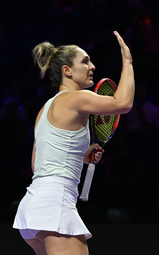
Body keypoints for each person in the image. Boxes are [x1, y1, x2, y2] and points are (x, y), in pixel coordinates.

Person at [13, 31, 134, 255]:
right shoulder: (76, 98)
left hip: (32, 208)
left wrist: (81, 154)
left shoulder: (45, 109)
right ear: (66, 71)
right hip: (54, 206)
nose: (93, 66)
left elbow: (37, 163)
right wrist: (127, 62)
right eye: (85, 61)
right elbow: (124, 103)